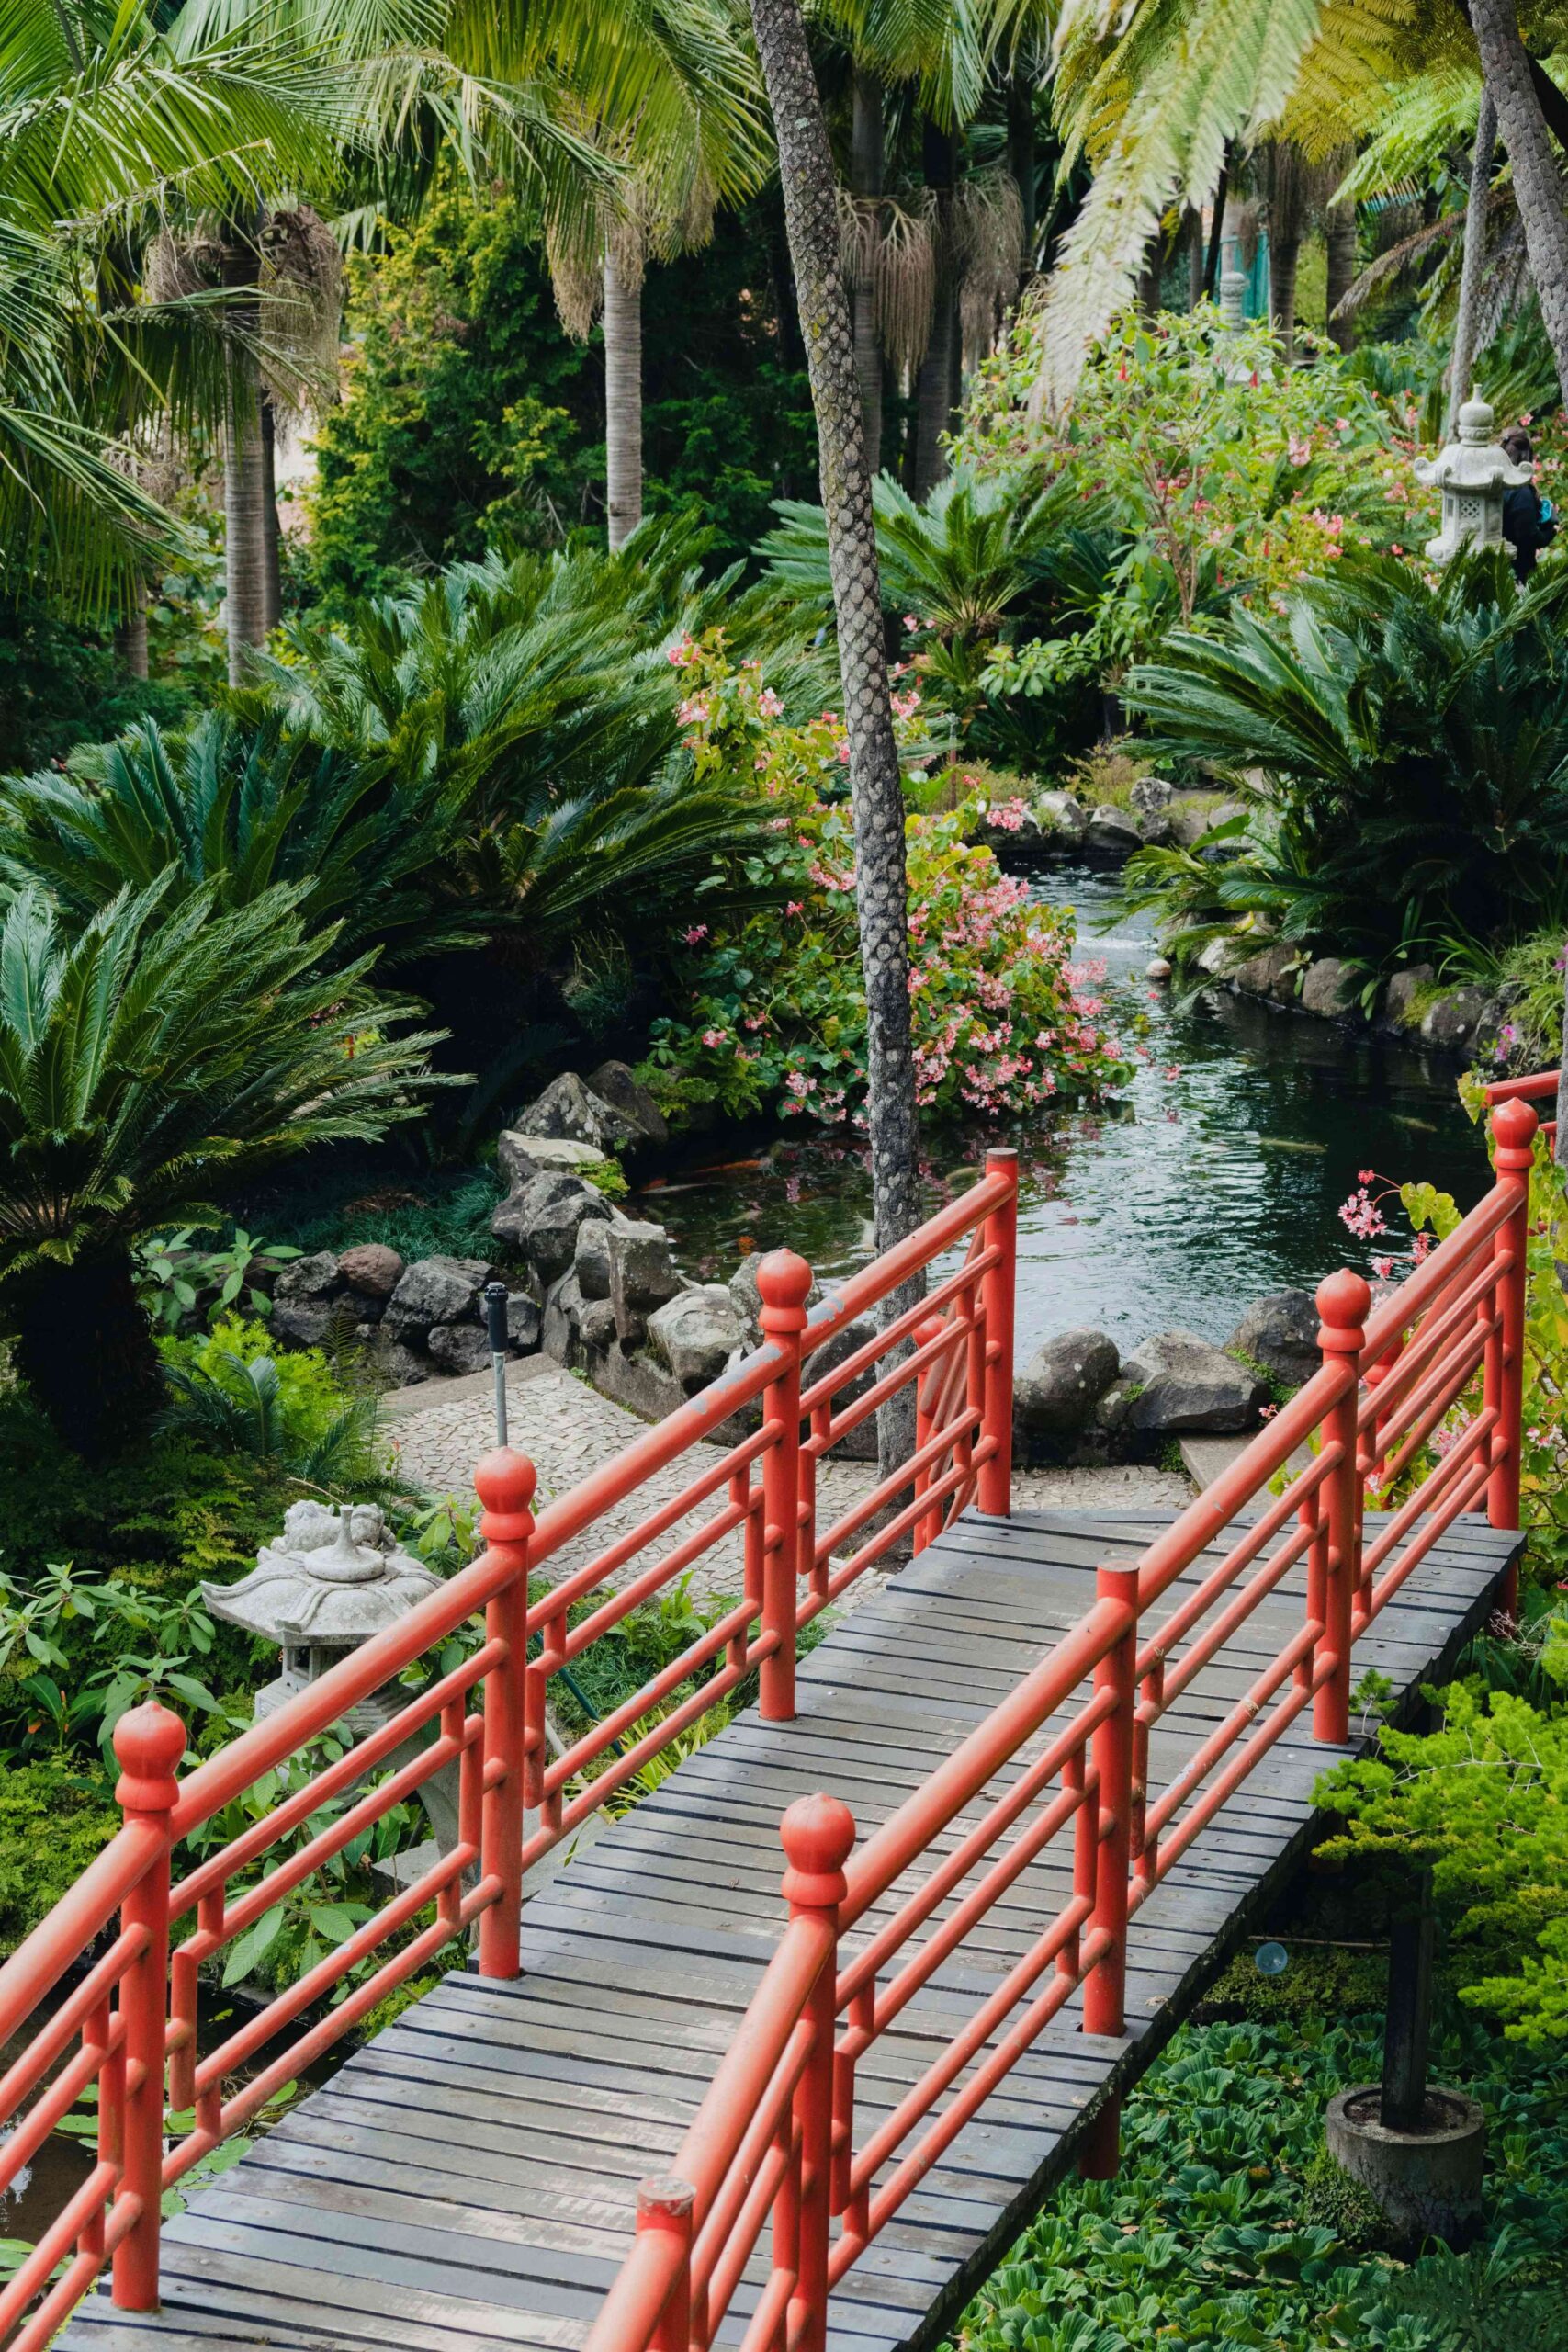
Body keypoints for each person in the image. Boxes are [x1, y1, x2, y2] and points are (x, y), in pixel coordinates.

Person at [1500, 424, 1557, 583]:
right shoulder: (1520, 492)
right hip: (1514, 576)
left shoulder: (1492, 482)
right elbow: (1527, 537)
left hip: (1495, 569)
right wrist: (1550, 532)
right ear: (1526, 455)